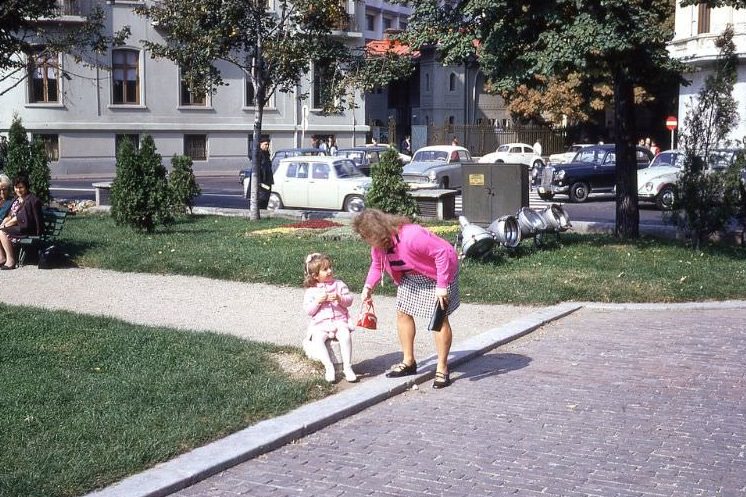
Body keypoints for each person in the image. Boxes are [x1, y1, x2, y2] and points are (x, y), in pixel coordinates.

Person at [353, 209, 460, 389]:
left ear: (377, 231)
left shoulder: (412, 236)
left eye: (366, 236)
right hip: (412, 276)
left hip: (440, 271)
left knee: (439, 319)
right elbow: (376, 264)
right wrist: (368, 287)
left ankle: (442, 367)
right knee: (403, 312)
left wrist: (442, 286)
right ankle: (409, 362)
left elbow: (442, 253)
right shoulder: (379, 245)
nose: (364, 240)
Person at [302, 252, 358, 383]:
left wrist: (340, 298)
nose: (330, 271)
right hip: (321, 324)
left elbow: (349, 300)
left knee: (345, 336)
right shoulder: (311, 291)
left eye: (330, 268)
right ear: (315, 276)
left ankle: (347, 367)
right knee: (318, 340)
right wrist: (317, 302)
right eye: (325, 269)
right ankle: (329, 366)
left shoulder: (339, 284)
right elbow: (309, 311)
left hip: (339, 321)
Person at [0, 176, 44, 270]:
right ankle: (1, 258)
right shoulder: (16, 199)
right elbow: (10, 215)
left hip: (27, 228)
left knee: (2, 232)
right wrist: (4, 222)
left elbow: (19, 218)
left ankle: (10, 260)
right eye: (16, 187)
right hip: (17, 227)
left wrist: (5, 225)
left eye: (21, 187)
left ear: (26, 187)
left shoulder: (30, 200)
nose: (18, 190)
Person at [255, 137, 274, 209]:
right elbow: (257, 170)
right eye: (265, 144)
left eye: (268, 144)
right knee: (261, 203)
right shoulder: (258, 155)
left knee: (265, 202)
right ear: (260, 144)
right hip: (261, 185)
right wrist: (260, 182)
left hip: (267, 183)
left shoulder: (266, 155)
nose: (267, 146)